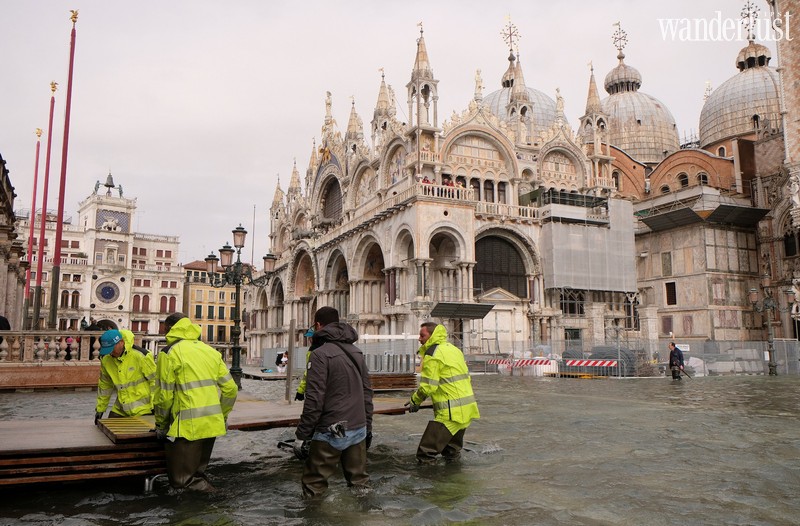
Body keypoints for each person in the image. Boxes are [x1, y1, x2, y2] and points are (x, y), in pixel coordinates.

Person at [152, 313, 238, 491]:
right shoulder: (210, 351)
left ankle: (217, 503)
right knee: (197, 474)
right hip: (211, 424)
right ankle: (210, 510)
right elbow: (231, 389)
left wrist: (161, 425)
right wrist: (221, 416)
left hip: (186, 427)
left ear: (169, 329)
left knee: (182, 482)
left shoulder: (168, 353)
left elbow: (164, 396)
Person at [295, 306, 373, 499]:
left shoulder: (320, 354)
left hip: (331, 429)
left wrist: (302, 435)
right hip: (358, 427)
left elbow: (314, 400)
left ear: (318, 325)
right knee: (359, 484)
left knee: (314, 485)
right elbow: (367, 393)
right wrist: (368, 426)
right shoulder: (356, 352)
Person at [405, 322, 480, 464]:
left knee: (425, 454)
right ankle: (454, 482)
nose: (419, 339)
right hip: (465, 410)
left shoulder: (433, 354)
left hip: (449, 414)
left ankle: (434, 485)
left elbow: (428, 387)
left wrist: (415, 401)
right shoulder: (453, 349)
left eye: (422, 335)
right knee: (451, 452)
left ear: (432, 336)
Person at [95, 329, 156, 424]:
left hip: (144, 409)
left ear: (121, 342)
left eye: (112, 348)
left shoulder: (141, 356)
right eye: (107, 350)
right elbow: (105, 386)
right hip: (121, 408)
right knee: (107, 432)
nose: (110, 353)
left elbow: (155, 382)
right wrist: (100, 408)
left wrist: (156, 407)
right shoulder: (106, 359)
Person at [295, 326, 319, 401]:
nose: (309, 340)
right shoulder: (331, 347)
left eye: (310, 338)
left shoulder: (312, 351)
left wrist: (300, 390)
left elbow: (308, 372)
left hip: (315, 389)